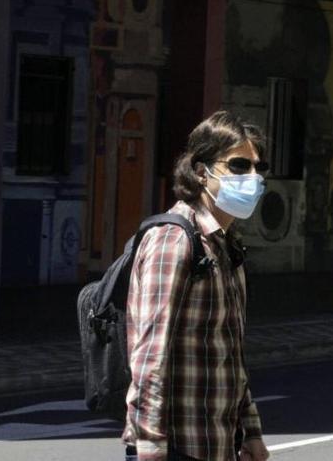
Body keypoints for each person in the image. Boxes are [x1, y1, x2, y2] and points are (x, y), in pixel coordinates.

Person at [123, 111, 271, 461]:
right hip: (176, 446)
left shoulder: (225, 244)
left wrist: (250, 432)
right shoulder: (173, 241)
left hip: (216, 444)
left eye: (257, 167)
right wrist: (150, 446)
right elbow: (150, 355)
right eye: (238, 166)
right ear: (202, 172)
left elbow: (230, 355)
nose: (252, 177)